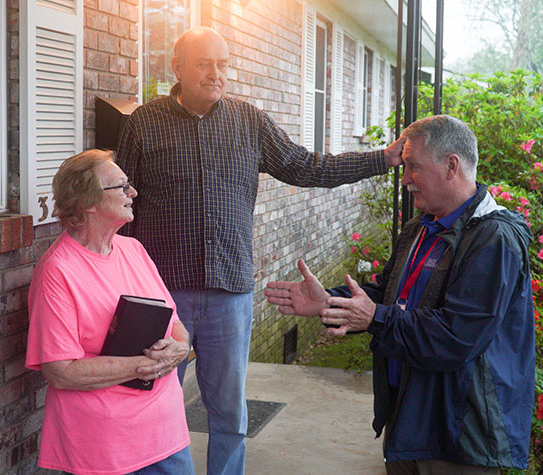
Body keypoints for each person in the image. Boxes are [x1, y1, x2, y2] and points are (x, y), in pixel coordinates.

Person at [116, 26, 405, 474]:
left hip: (229, 294)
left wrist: (379, 160)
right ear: (177, 67)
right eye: (204, 63)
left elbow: (307, 166)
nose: (217, 73)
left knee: (229, 414)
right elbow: (121, 207)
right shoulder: (143, 125)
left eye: (223, 64)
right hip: (162, 295)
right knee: (155, 404)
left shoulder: (249, 121)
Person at [265, 115, 535, 474]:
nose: (405, 179)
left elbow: (456, 337)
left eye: (413, 167)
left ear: (451, 165)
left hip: (457, 437)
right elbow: (385, 295)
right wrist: (330, 302)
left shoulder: (493, 239)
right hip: (409, 420)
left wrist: (373, 317)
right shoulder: (421, 227)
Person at [25, 149, 195, 475]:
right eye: (121, 186)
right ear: (88, 203)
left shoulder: (133, 250)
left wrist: (178, 347)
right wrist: (147, 365)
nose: (133, 192)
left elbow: (175, 324)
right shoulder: (58, 271)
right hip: (105, 446)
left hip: (166, 433)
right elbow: (61, 371)